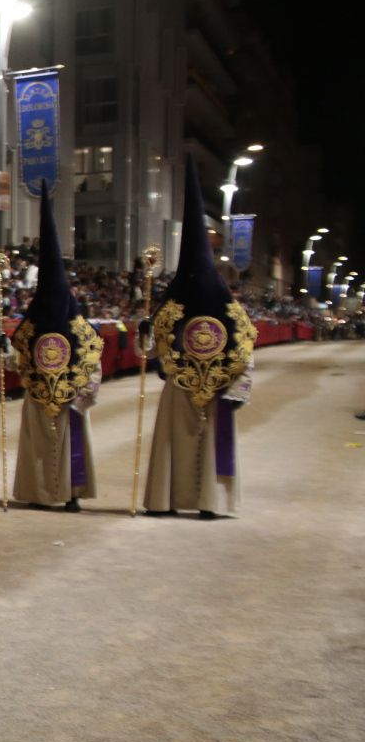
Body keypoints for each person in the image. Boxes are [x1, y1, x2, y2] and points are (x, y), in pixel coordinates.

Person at [141, 158, 256, 518]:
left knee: (194, 444)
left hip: (209, 386)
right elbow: (148, 352)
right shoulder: (174, 306)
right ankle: (172, 500)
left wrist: (235, 391)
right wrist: (146, 331)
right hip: (183, 385)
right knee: (177, 443)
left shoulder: (225, 310)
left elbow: (244, 351)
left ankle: (208, 501)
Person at [0, 185, 101, 511]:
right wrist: (2, 349)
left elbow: (93, 362)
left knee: (61, 444)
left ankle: (70, 493)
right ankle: (43, 492)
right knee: (42, 445)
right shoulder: (35, 326)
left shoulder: (67, 326)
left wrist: (84, 392)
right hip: (46, 396)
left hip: (64, 396)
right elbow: (16, 362)